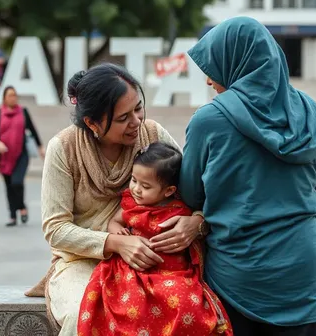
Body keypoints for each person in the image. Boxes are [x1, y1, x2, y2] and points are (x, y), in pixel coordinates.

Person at [180, 16, 316, 335]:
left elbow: (189, 194)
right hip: (302, 277)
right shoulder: (309, 112)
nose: (209, 80)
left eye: (214, 66)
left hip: (239, 278)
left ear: (237, 61)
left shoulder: (209, 120)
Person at [26, 63, 198, 336]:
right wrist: (117, 243)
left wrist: (195, 223)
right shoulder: (64, 148)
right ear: (92, 123)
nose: (136, 122)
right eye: (122, 118)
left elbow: (193, 194)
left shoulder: (153, 135)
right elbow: (56, 229)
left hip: (154, 261)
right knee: (84, 312)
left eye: (138, 109)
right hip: (80, 263)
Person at [78, 142, 232, 336]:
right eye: (134, 180)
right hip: (133, 271)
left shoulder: (179, 209)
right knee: (130, 306)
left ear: (168, 191)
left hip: (173, 272)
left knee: (187, 304)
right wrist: (117, 232)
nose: (136, 189)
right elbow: (114, 221)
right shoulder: (130, 204)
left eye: (146, 186)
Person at [0, 86, 45, 226]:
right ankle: (13, 215)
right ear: (4, 98)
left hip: (21, 154)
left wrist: (40, 147)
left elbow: (32, 130)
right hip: (4, 156)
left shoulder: (23, 112)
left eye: (14, 95)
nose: (12, 98)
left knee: (17, 182)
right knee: (8, 185)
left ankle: (22, 207)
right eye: (9, 95)